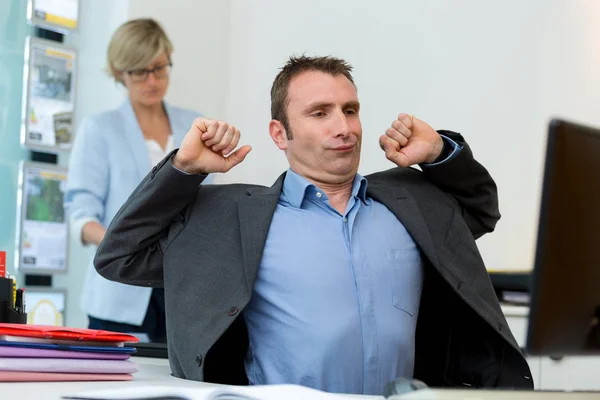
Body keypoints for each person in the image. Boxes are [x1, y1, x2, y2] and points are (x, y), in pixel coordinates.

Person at [93, 55, 533, 394]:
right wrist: (184, 170)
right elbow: (119, 256)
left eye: (351, 109)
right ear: (279, 134)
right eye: (320, 113)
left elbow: (480, 210)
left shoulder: (409, 198)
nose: (344, 127)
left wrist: (440, 154)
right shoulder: (229, 218)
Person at [64, 18, 211, 341]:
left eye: (159, 68)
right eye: (139, 72)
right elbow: (80, 214)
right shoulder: (100, 129)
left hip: (180, 286)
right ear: (119, 72)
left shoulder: (194, 125)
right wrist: (125, 248)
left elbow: (209, 206)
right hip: (118, 292)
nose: (152, 80)